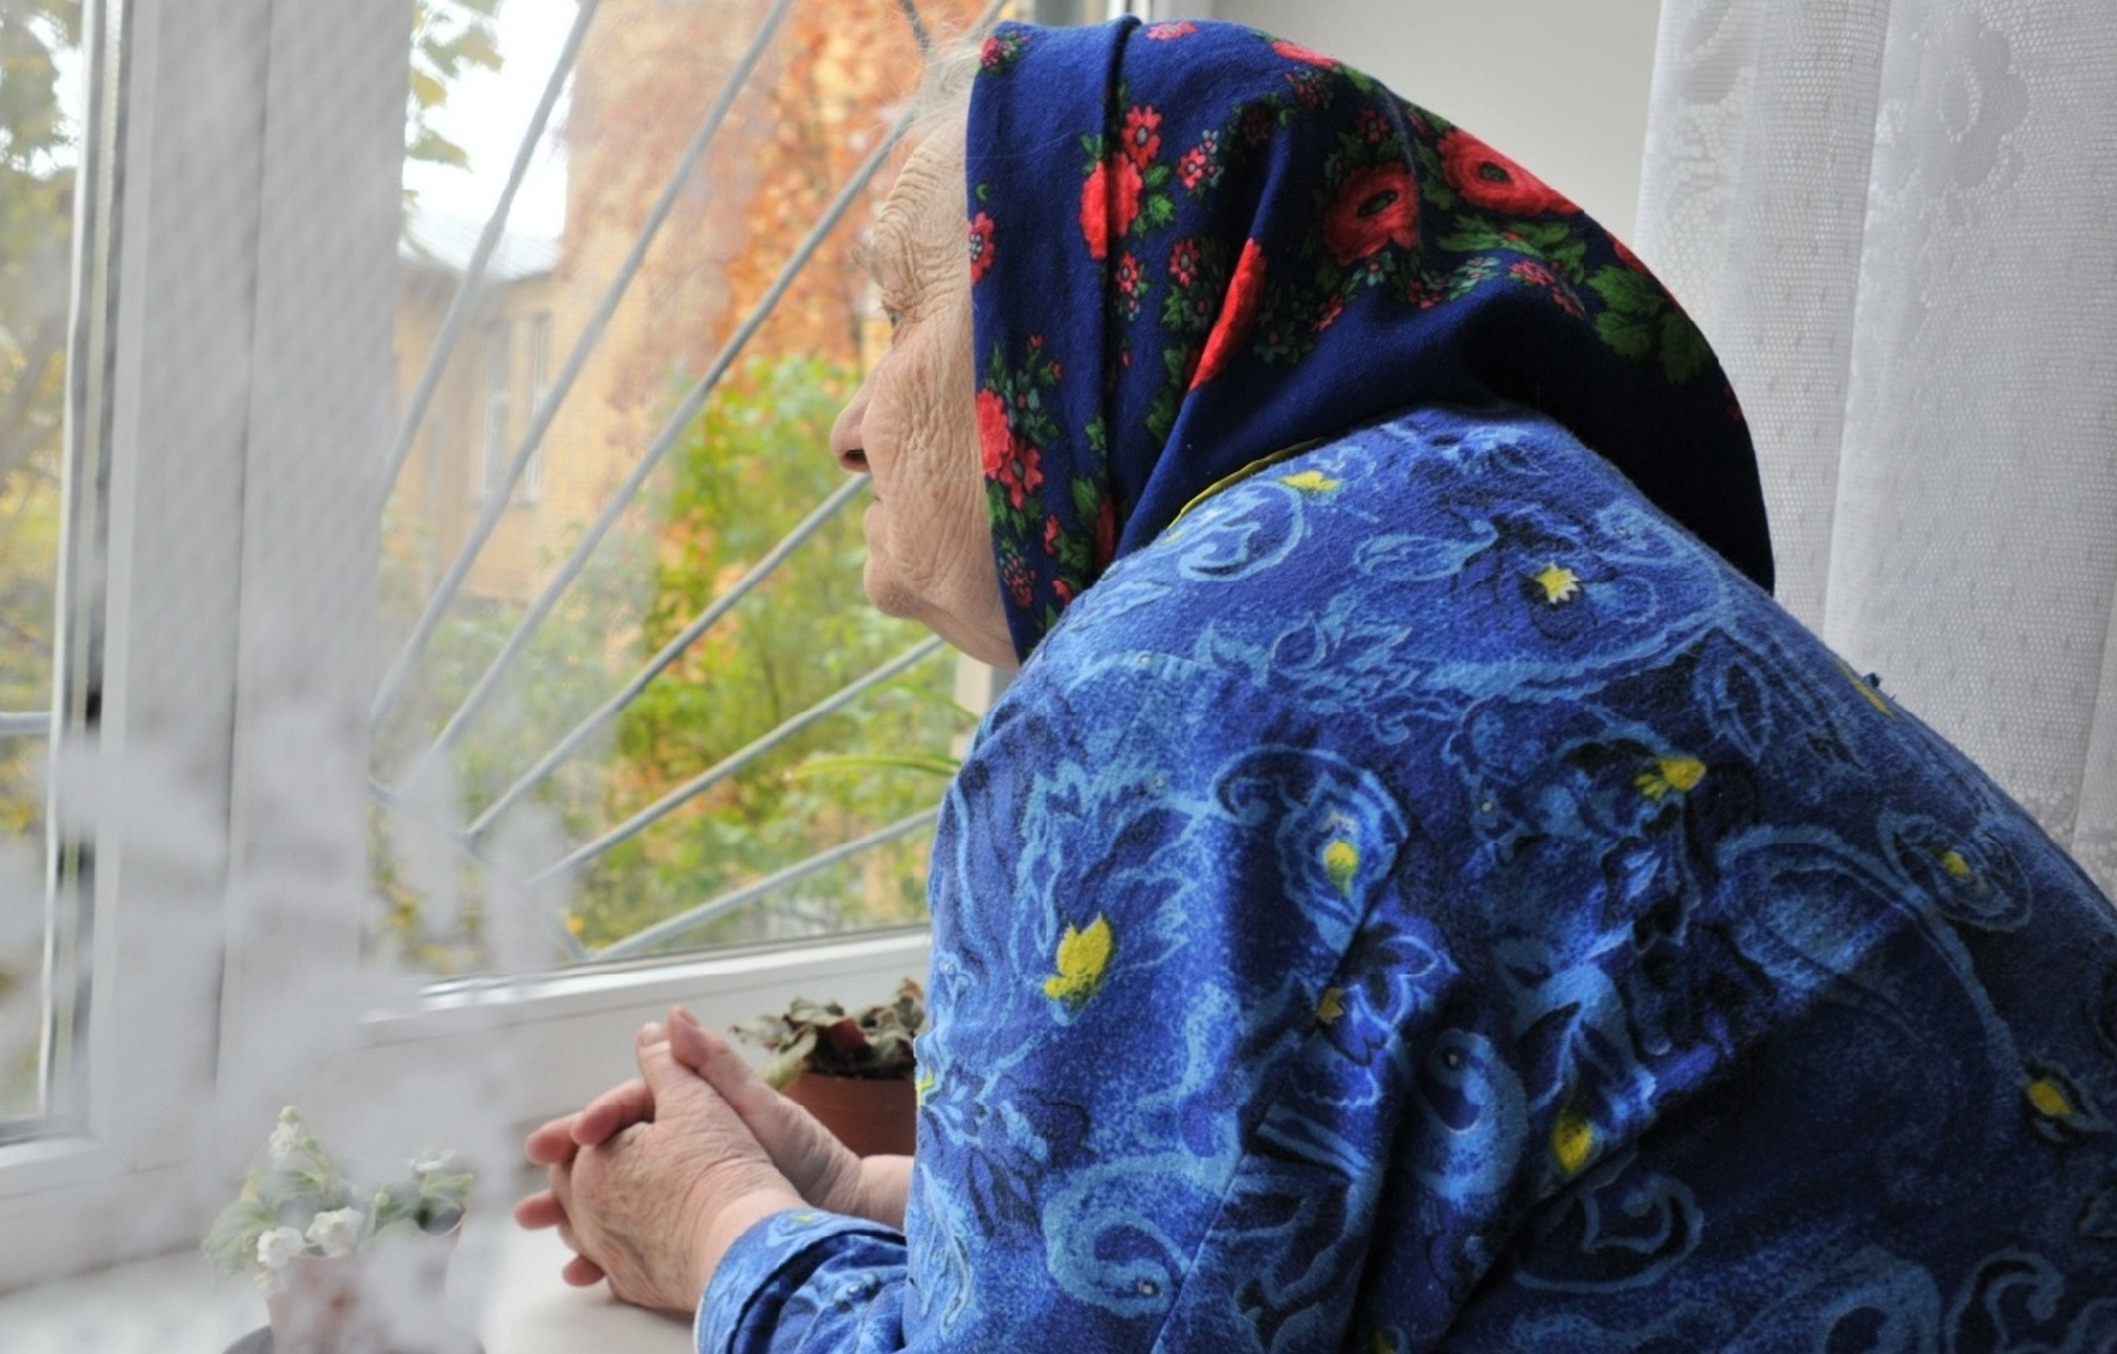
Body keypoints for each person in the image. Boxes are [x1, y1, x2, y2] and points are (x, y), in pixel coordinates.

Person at [519, 17, 2117, 1350]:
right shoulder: (1505, 542)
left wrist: (718, 1221)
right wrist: (862, 1190)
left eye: (897, 312)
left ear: (1073, 317)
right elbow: (1317, 1218)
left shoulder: (1175, 686)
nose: (847, 429)